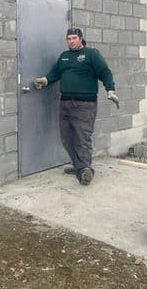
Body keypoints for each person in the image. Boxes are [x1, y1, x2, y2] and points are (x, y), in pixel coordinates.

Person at [33, 28, 119, 185]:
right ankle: (79, 166)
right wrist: (45, 80)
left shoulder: (91, 54)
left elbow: (105, 72)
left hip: (84, 105)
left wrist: (110, 90)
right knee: (67, 138)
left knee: (82, 138)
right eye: (68, 38)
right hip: (65, 103)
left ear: (80, 39)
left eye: (74, 38)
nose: (71, 41)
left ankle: (85, 170)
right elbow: (55, 73)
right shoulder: (64, 57)